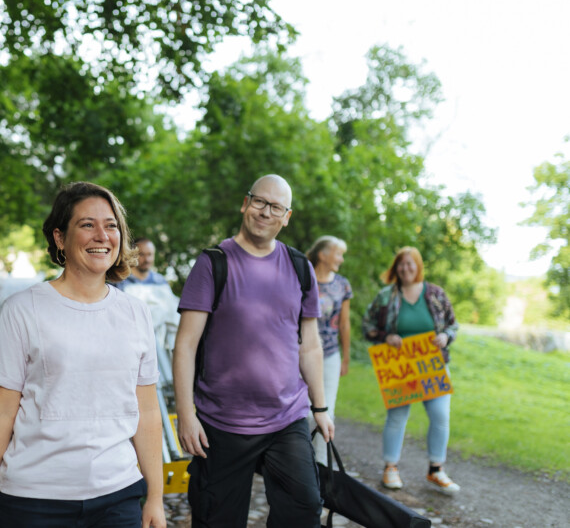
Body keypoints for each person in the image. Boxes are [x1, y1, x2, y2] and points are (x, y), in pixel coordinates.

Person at [0, 181, 166, 528]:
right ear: (59, 238)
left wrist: (156, 498)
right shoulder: (23, 310)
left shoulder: (136, 313)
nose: (102, 235)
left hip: (119, 496)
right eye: (87, 224)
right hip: (34, 500)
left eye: (111, 225)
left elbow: (146, 411)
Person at [173, 174, 334, 528]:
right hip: (222, 421)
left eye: (276, 207)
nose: (265, 212)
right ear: (246, 203)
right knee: (217, 518)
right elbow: (185, 344)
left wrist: (320, 407)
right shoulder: (213, 263)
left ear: (287, 217)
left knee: (304, 507)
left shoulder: (299, 267)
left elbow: (309, 345)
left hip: (285, 417)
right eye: (260, 202)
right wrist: (186, 413)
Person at [362, 246, 460, 496]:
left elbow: (452, 325)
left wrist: (445, 338)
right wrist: (386, 337)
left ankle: (436, 469)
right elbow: (367, 326)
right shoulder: (386, 296)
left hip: (432, 366)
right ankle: (390, 467)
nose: (405, 268)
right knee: (397, 418)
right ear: (396, 268)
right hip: (400, 367)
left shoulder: (436, 294)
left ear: (418, 266)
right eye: (401, 264)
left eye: (410, 264)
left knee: (440, 416)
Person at [306, 236, 352, 465]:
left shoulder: (342, 284)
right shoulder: (302, 277)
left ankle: (322, 467)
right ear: (323, 255)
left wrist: (346, 357)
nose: (341, 259)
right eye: (338, 253)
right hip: (300, 353)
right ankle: (300, 461)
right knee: (302, 413)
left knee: (327, 411)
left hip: (331, 354)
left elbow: (344, 323)